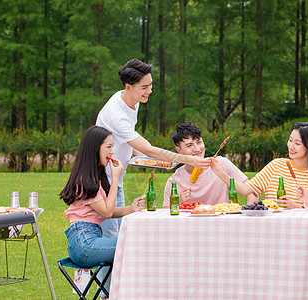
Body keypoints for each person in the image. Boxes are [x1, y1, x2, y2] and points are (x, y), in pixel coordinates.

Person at [95, 58, 210, 297]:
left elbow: (134, 146)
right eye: (144, 87)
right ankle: (108, 293)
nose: (150, 91)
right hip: (103, 181)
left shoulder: (131, 101)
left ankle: (116, 291)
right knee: (111, 240)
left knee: (119, 234)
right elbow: (148, 148)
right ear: (129, 86)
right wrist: (188, 159)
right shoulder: (116, 113)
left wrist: (147, 159)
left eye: (150, 85)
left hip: (116, 176)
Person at [59, 126, 145, 291]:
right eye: (109, 146)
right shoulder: (84, 181)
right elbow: (106, 212)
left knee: (135, 245)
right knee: (134, 246)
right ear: (95, 148)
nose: (112, 151)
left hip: (88, 240)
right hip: (84, 243)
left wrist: (132, 208)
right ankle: (121, 294)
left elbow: (108, 211)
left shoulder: (94, 179)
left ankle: (113, 294)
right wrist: (115, 178)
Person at [212, 122, 308, 208]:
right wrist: (221, 173)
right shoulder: (276, 165)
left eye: (297, 143)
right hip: (272, 230)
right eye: (290, 140)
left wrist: (296, 207)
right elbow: (244, 190)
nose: (291, 146)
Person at [162, 122, 257, 207]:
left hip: (222, 223)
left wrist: (249, 213)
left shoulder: (221, 164)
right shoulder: (174, 181)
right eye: (189, 145)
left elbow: (252, 191)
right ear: (179, 151)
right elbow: (165, 215)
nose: (197, 149)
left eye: (199, 142)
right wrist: (179, 202)